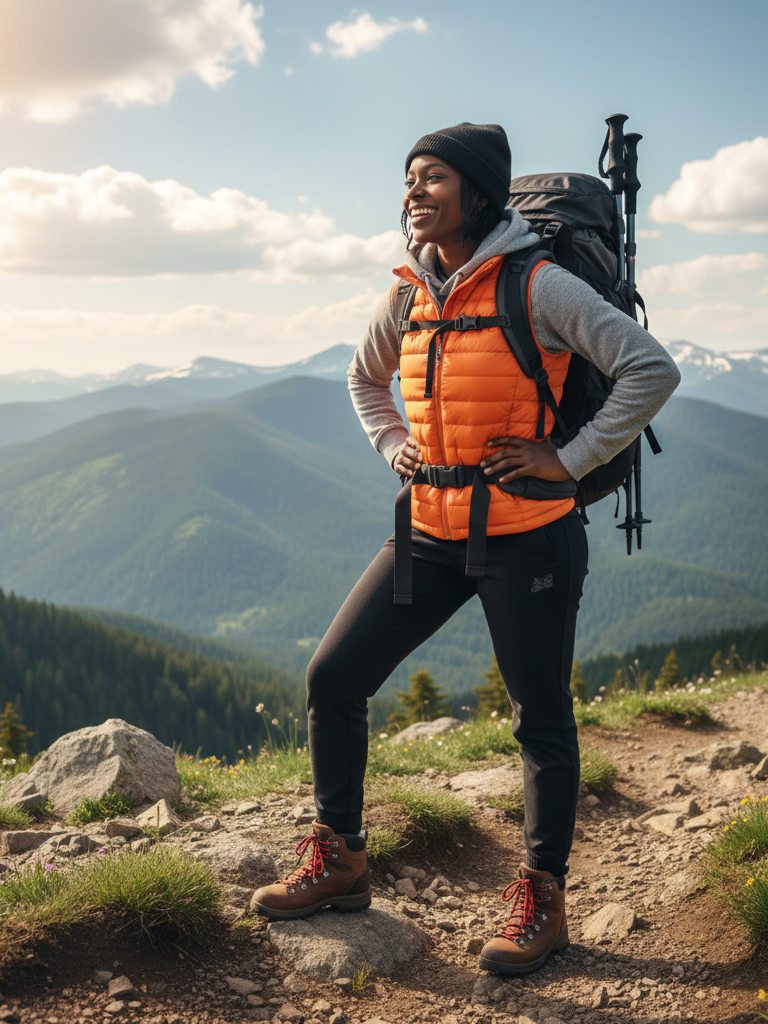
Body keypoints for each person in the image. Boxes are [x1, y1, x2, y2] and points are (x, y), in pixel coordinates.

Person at [251, 122, 680, 974]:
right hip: (431, 531)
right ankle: (340, 858)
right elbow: (363, 378)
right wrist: (391, 444)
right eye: (408, 178)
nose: (413, 191)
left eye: (433, 178)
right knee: (332, 677)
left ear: (478, 193)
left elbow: (649, 369)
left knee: (540, 721)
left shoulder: (538, 285)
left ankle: (541, 900)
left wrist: (568, 458)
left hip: (530, 537)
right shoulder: (407, 293)